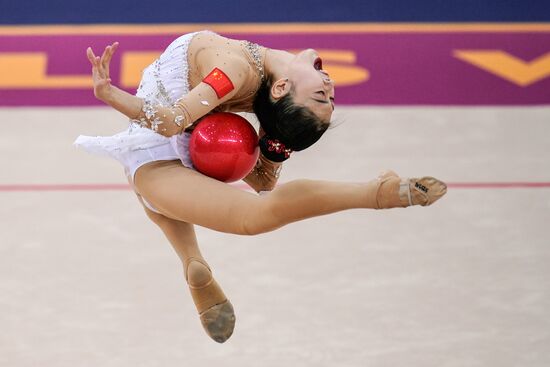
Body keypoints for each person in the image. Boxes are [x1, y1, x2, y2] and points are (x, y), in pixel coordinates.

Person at [75, 30, 447, 343]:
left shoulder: (239, 72)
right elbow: (183, 127)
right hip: (181, 142)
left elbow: (178, 126)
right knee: (230, 213)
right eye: (328, 97)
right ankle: (192, 260)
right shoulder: (248, 76)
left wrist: (110, 95)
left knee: (225, 209)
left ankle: (375, 194)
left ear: (282, 87)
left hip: (159, 154)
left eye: (323, 96)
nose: (331, 86)